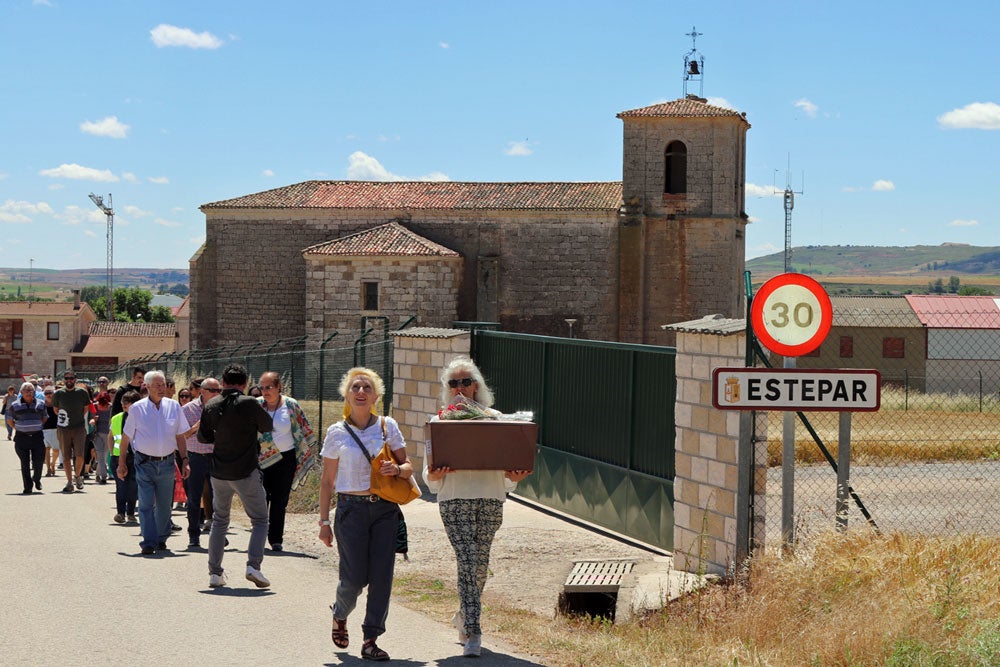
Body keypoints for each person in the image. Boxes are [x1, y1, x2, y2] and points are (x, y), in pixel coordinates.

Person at [423, 357, 531, 657]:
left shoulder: (496, 419)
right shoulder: (439, 421)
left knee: (480, 565)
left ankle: (463, 614)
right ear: (447, 388)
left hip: (490, 498)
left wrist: (514, 477)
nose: (460, 388)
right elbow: (428, 477)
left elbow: (508, 472)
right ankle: (474, 630)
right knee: (468, 560)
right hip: (454, 499)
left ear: (476, 386)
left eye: (465, 382)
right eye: (453, 383)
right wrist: (434, 474)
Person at [318, 367, 413, 662]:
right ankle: (340, 612)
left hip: (385, 509)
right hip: (350, 510)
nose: (361, 392)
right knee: (354, 578)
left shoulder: (387, 426)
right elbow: (327, 482)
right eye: (355, 387)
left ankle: (371, 639)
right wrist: (323, 522)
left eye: (367, 388)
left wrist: (396, 469)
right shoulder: (336, 433)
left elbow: (408, 466)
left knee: (382, 577)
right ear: (347, 394)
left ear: (375, 395)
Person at [197, 364, 273, 589]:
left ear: (223, 381)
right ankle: (253, 566)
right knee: (260, 519)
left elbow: (203, 437)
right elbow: (267, 425)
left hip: (219, 472)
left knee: (220, 521)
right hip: (245, 470)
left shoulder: (211, 403)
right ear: (244, 383)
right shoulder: (249, 403)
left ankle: (215, 573)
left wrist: (221, 439)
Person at [116, 371, 190, 555]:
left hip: (167, 463)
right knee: (146, 504)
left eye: (163, 384)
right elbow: (126, 438)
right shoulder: (137, 409)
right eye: (157, 385)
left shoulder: (174, 406)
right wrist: (122, 463)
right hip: (144, 463)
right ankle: (149, 541)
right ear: (147, 387)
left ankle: (161, 538)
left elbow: (180, 436)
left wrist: (185, 460)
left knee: (165, 506)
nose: (161, 388)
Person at [257, 371, 316, 552]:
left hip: (286, 459)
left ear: (278, 387)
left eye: (269, 387)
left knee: (279, 500)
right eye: (262, 388)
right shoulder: (257, 405)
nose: (265, 391)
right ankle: (259, 536)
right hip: (261, 460)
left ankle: (276, 539)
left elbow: (304, 428)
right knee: (261, 498)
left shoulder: (291, 405)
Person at [182, 377, 219, 548]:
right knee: (194, 498)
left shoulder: (222, 408)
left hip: (216, 457)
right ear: (203, 392)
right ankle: (193, 536)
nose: (218, 394)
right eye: (214, 390)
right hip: (195, 457)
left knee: (219, 498)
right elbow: (182, 436)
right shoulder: (188, 409)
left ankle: (218, 535)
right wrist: (196, 427)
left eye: (219, 390)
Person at [53, 371, 92, 493]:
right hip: (63, 428)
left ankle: (77, 477)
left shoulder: (82, 393)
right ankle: (69, 482)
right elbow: (56, 410)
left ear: (75, 379)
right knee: (66, 456)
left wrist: (77, 417)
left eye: (71, 378)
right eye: (66, 378)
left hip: (79, 428)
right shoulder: (59, 393)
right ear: (64, 380)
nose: (69, 380)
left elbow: (86, 408)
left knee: (80, 455)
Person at [5, 382, 47, 494]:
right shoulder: (15, 405)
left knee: (39, 461)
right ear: (21, 392)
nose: (29, 392)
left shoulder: (41, 404)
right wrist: (18, 428)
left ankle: (37, 479)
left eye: (31, 390)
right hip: (21, 438)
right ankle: (27, 487)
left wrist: (36, 426)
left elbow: (44, 417)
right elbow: (9, 420)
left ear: (34, 392)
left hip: (37, 437)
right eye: (26, 390)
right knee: (25, 463)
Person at [109, 391, 139, 524]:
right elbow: (110, 437)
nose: (124, 405)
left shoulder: (141, 419)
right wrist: (112, 453)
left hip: (135, 457)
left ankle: (131, 513)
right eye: (123, 402)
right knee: (121, 486)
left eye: (127, 402)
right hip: (118, 457)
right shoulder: (116, 418)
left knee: (133, 486)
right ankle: (120, 513)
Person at [91, 391, 113, 484]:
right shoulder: (95, 406)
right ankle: (103, 476)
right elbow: (90, 417)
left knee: (103, 455)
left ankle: (97, 474)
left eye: (105, 404)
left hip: (109, 434)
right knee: (100, 455)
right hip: (97, 434)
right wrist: (93, 420)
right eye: (101, 403)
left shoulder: (111, 407)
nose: (103, 406)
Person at [41, 387, 60, 477]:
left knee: (56, 450)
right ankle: (48, 469)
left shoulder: (57, 405)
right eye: (46, 393)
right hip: (44, 429)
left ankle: (53, 464)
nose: (49, 395)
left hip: (56, 429)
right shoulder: (41, 405)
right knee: (46, 450)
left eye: (50, 393)